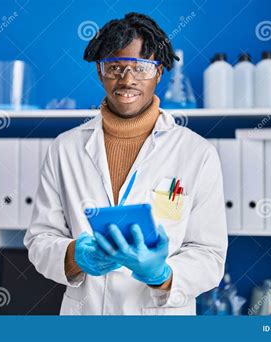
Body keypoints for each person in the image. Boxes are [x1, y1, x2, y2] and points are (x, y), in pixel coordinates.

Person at [24, 12, 227, 315]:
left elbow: (209, 255)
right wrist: (73, 255)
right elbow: (40, 240)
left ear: (159, 73)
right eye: (115, 67)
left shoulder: (196, 153)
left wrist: (163, 275)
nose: (128, 79)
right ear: (99, 72)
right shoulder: (64, 149)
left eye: (141, 68)